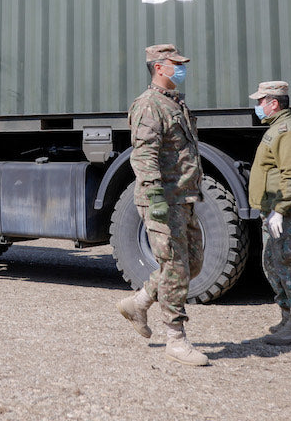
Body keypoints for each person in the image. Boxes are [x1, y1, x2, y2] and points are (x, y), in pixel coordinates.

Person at [115, 43, 209, 367]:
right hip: (164, 202)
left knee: (192, 263)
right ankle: (175, 338)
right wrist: (155, 199)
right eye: (175, 64)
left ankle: (139, 303)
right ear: (159, 67)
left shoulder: (175, 103)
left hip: (183, 198)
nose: (181, 69)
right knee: (176, 267)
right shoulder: (148, 105)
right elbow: (143, 156)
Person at [247, 81, 291, 345]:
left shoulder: (287, 132)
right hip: (274, 210)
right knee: (274, 264)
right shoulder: (277, 129)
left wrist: (281, 209)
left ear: (273, 103)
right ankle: (286, 317)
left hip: (288, 212)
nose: (258, 106)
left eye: (261, 101)